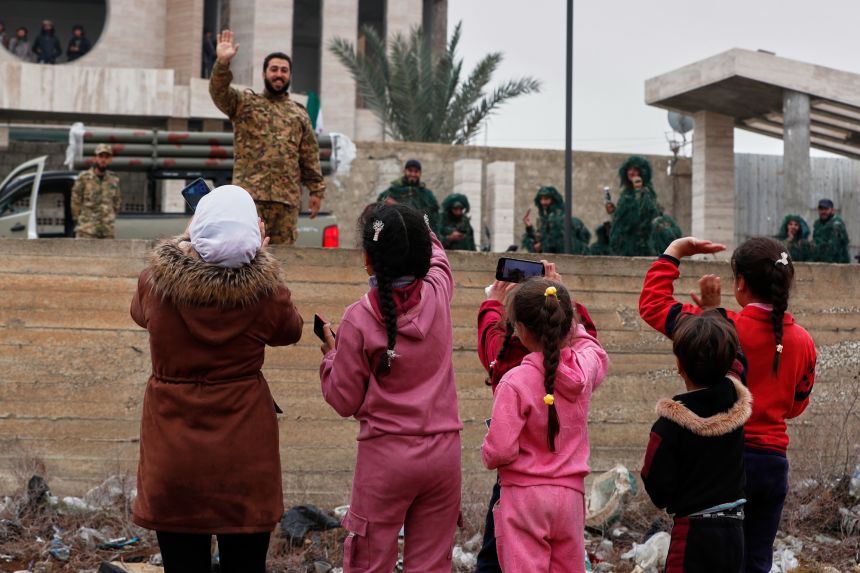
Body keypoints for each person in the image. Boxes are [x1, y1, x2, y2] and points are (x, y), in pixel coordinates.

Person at [130, 185, 303, 573]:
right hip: (244, 457)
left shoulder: (154, 286)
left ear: (198, 229)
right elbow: (291, 331)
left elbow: (139, 314)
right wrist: (262, 259)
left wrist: (185, 240)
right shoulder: (266, 294)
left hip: (172, 454)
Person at [639, 236, 817, 573]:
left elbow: (652, 305)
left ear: (740, 283)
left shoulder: (722, 332)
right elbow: (796, 406)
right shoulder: (804, 341)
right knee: (755, 562)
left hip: (725, 465)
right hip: (773, 466)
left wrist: (674, 252)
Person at [319, 204, 461, 572]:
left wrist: (331, 356)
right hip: (444, 456)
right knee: (431, 565)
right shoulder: (439, 292)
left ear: (368, 259)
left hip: (386, 460)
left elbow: (344, 398)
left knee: (370, 561)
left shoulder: (359, 317)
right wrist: (408, 220)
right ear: (425, 256)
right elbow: (438, 255)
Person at [475, 265, 597, 573]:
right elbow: (592, 348)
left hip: (523, 497)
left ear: (519, 330)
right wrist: (565, 304)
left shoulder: (514, 381)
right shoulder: (583, 371)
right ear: (566, 322)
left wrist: (488, 452)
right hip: (570, 497)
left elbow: (500, 450)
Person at [641, 310, 751, 573]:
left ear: (680, 365)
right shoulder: (736, 400)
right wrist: (716, 313)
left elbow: (657, 489)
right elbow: (738, 363)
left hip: (692, 535)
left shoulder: (667, 428)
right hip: (735, 533)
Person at [209, 29, 326, 245]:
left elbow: (309, 156)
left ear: (290, 75)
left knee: (280, 263)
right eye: (274, 69)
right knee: (245, 255)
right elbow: (219, 93)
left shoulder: (299, 113)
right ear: (264, 74)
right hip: (249, 200)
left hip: (286, 202)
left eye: (284, 70)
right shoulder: (245, 104)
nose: (279, 74)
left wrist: (316, 190)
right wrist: (222, 64)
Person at [71, 143, 122, 239]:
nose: (103, 160)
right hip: (86, 232)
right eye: (100, 156)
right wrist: (82, 222)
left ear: (110, 160)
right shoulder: (84, 178)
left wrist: (109, 217)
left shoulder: (113, 179)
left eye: (107, 157)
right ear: (95, 158)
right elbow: (75, 202)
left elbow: (117, 202)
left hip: (107, 232)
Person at [522, 186, 590, 254]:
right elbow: (540, 241)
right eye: (541, 199)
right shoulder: (546, 220)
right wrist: (529, 227)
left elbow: (557, 241)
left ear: (553, 199)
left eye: (546, 199)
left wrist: (542, 245)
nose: (543, 202)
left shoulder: (560, 218)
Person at [377, 159, 441, 233]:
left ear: (420, 173)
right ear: (405, 171)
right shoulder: (393, 190)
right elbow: (381, 202)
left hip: (420, 234)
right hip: (397, 232)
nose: (413, 174)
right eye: (410, 171)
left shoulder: (427, 194)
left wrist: (397, 205)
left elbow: (434, 215)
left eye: (416, 171)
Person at [812, 199, 850, 263]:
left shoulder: (837, 224)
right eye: (821, 209)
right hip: (822, 262)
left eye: (826, 209)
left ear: (832, 210)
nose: (823, 211)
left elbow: (833, 248)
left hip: (837, 263)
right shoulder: (818, 223)